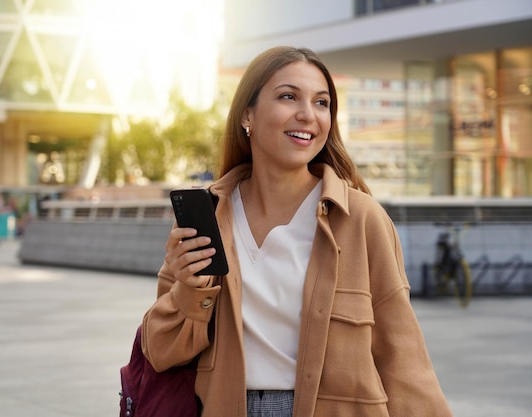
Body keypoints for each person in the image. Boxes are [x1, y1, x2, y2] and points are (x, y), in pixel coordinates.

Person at [141, 46, 453, 417]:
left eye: (322, 103)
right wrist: (189, 288)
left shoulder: (361, 218)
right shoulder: (207, 217)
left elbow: (402, 354)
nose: (308, 115)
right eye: (289, 97)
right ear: (247, 116)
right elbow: (160, 351)